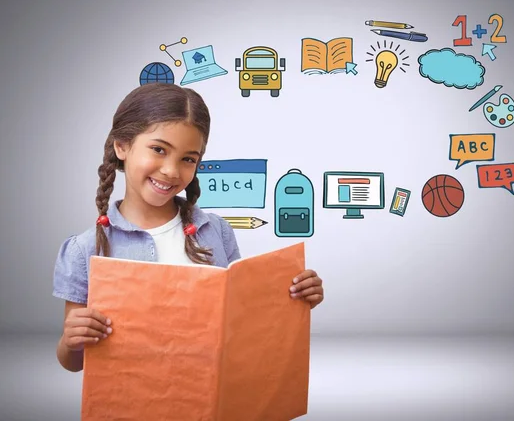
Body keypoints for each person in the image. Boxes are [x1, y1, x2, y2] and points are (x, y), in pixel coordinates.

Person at [53, 83, 325, 372]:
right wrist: (71, 341)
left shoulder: (216, 231)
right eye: (158, 149)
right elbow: (74, 362)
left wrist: (295, 300)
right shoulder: (84, 249)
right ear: (121, 146)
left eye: (188, 159)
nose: (171, 171)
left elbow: (243, 321)